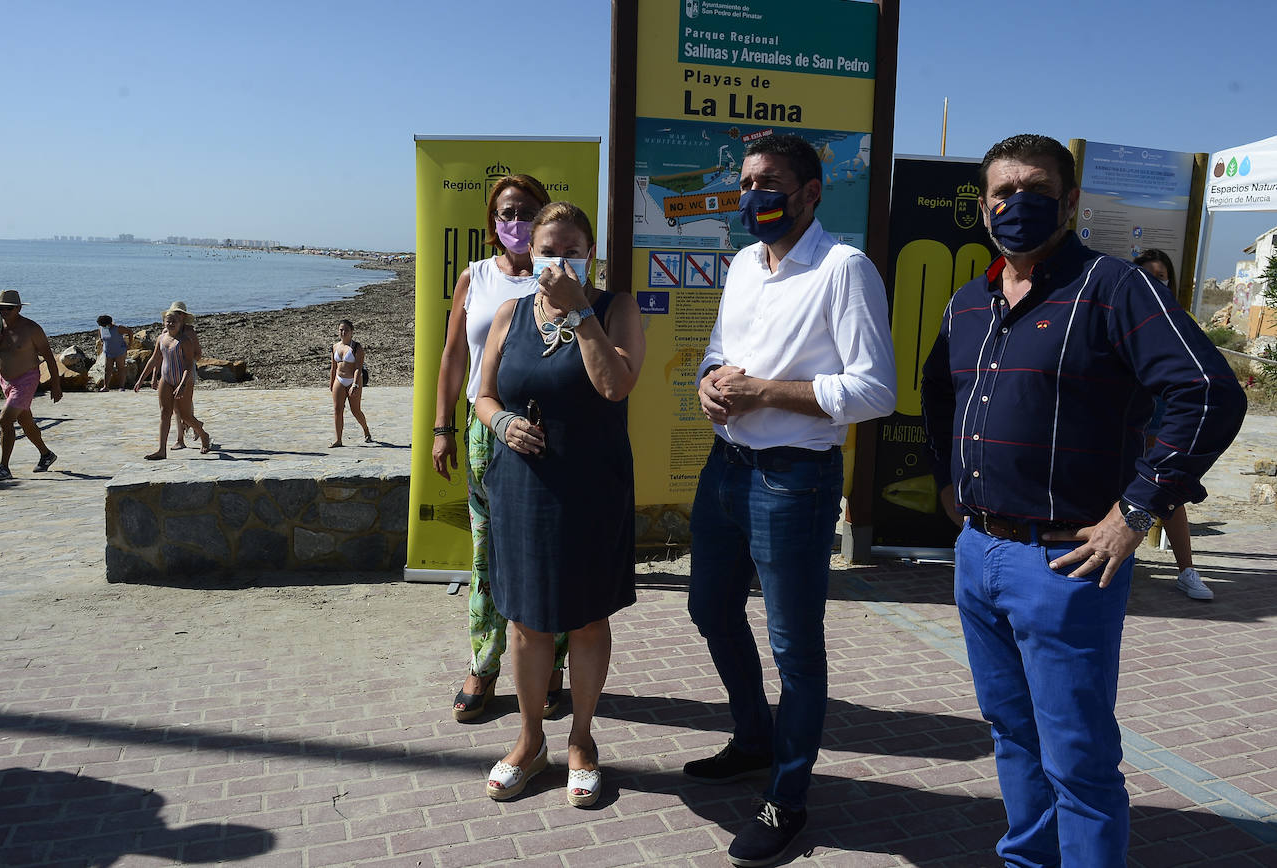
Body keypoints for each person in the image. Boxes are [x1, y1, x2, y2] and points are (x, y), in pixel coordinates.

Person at [921, 134, 1245, 866]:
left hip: (1065, 562)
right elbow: (939, 390)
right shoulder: (969, 301)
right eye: (1002, 193)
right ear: (982, 206)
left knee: (1077, 758)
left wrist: (1136, 510)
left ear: (1069, 202)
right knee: (1010, 733)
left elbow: (1206, 392)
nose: (1016, 204)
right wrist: (948, 476)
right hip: (978, 554)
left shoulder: (1113, 288)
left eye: (1036, 189)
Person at [685, 134, 897, 867]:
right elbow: (719, 349)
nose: (752, 195)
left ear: (810, 193)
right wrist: (710, 382)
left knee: (794, 649)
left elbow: (876, 391)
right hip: (726, 467)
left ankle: (788, 795)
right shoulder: (744, 263)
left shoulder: (845, 270)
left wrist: (767, 392)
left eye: (769, 182)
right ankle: (753, 737)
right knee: (708, 608)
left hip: (794, 480)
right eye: (746, 182)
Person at [475, 201, 644, 807]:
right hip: (522, 484)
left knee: (587, 617)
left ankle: (581, 741)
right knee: (526, 619)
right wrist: (502, 427)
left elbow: (615, 385)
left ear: (589, 254)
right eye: (548, 250)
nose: (557, 260)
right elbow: (484, 395)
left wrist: (581, 315)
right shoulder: (509, 313)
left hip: (591, 485)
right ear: (531, 255)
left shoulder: (615, 308)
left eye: (571, 249)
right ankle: (528, 740)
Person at [430, 174, 569, 723]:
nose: (518, 222)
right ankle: (484, 664)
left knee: (547, 550)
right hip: (486, 430)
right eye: (508, 213)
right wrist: (442, 428)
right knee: (486, 552)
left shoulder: (563, 275)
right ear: (493, 223)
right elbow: (451, 358)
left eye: (529, 212)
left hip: (547, 434)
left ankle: (552, 661)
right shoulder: (477, 277)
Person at [1133, 249, 1214, 600]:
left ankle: (1186, 569)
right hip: (1123, 414)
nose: (1157, 280)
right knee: (1118, 486)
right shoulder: (1123, 315)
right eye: (1149, 274)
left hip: (1161, 414)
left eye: (1162, 274)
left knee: (1161, 489)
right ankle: (1119, 559)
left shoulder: (1179, 318)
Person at [0, 289, 62, 481]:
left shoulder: (32, 329)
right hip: (5, 380)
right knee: (25, 420)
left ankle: (3, 467)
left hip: (26, 380)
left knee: (5, 420)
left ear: (18, 308)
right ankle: (46, 454)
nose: (4, 311)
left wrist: (56, 385)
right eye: (1, 307)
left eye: (8, 308)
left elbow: (49, 358)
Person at [133, 302, 211, 459]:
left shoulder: (185, 340)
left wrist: (182, 384)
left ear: (181, 321)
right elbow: (155, 359)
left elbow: (189, 364)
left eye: (174, 321)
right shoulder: (161, 338)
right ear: (163, 322)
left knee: (185, 416)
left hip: (183, 380)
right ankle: (162, 450)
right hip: (166, 379)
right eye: (168, 321)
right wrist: (141, 379)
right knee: (164, 413)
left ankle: (204, 435)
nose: (170, 323)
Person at [329, 319, 372, 446]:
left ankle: (366, 430)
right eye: (341, 330)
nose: (343, 332)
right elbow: (333, 367)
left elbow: (358, 367)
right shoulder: (335, 347)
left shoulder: (356, 347)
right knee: (337, 409)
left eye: (346, 330)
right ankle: (338, 439)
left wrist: (355, 384)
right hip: (339, 380)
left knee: (356, 410)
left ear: (352, 332)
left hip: (353, 381)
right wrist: (331, 382)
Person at [171, 320, 203, 450]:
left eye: (178, 315)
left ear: (183, 316)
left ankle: (194, 427)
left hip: (187, 370)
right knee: (175, 407)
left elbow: (198, 354)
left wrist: (187, 359)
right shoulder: (167, 333)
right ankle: (181, 437)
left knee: (185, 402)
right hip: (172, 370)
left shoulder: (189, 333)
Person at [95, 315, 134, 391]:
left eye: (103, 325)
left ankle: (121, 387)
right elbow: (100, 335)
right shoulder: (101, 328)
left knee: (121, 368)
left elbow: (130, 332)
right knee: (107, 369)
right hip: (108, 351)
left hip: (120, 351)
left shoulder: (118, 328)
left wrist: (130, 344)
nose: (102, 326)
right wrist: (101, 341)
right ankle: (106, 386)